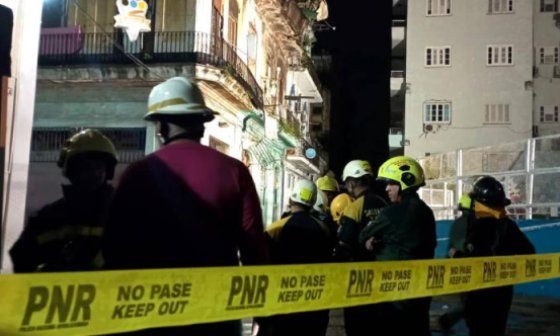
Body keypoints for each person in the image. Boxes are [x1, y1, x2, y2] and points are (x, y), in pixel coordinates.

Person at [102, 77, 269, 335]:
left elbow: (115, 250)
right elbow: (253, 248)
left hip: (150, 314)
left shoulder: (137, 173)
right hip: (216, 316)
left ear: (161, 128)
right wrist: (262, 313)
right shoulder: (235, 172)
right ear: (202, 126)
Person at [10, 129, 117, 272]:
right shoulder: (49, 217)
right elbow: (22, 257)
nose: (93, 173)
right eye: (86, 167)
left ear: (107, 171)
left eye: (99, 167)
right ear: (72, 172)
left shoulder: (123, 214)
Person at [359, 156, 436, 336]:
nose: (387, 188)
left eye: (391, 184)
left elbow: (363, 235)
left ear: (405, 182)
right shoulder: (426, 211)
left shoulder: (392, 212)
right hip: (421, 290)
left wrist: (375, 241)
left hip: (395, 293)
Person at [461, 176, 535, 336]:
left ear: (480, 203)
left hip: (479, 295)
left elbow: (472, 260)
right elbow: (529, 251)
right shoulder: (507, 225)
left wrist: (456, 256)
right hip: (502, 294)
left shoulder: (478, 226)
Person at [264, 179, 332, 336]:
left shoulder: (276, 228)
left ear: (290, 199)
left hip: (284, 297)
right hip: (314, 299)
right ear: (313, 202)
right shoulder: (323, 229)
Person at [336, 160, 387, 336]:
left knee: (357, 326)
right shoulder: (384, 204)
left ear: (352, 182)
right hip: (383, 277)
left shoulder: (354, 208)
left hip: (358, 280)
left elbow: (343, 245)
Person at [438, 194, 473, 331]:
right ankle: (447, 320)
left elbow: (451, 248)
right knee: (472, 303)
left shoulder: (457, 223)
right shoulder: (473, 224)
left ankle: (448, 320)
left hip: (456, 267)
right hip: (469, 267)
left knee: (469, 302)